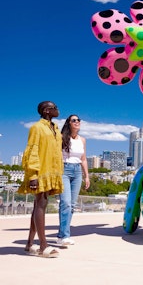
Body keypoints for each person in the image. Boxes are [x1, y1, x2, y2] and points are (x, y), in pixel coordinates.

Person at [18, 101, 63, 258]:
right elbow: (32, 149)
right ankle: (43, 245)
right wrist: (33, 175)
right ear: (46, 111)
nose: (57, 109)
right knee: (41, 204)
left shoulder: (55, 129)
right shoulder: (37, 128)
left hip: (52, 172)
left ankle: (29, 243)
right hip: (40, 172)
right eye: (54, 107)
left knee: (39, 204)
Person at [57, 114, 90, 246]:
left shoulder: (82, 140)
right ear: (69, 123)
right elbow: (57, 155)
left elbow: (83, 159)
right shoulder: (61, 137)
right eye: (74, 120)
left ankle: (62, 235)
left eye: (78, 120)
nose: (77, 122)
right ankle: (64, 235)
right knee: (65, 202)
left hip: (77, 172)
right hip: (64, 170)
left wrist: (86, 175)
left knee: (72, 205)